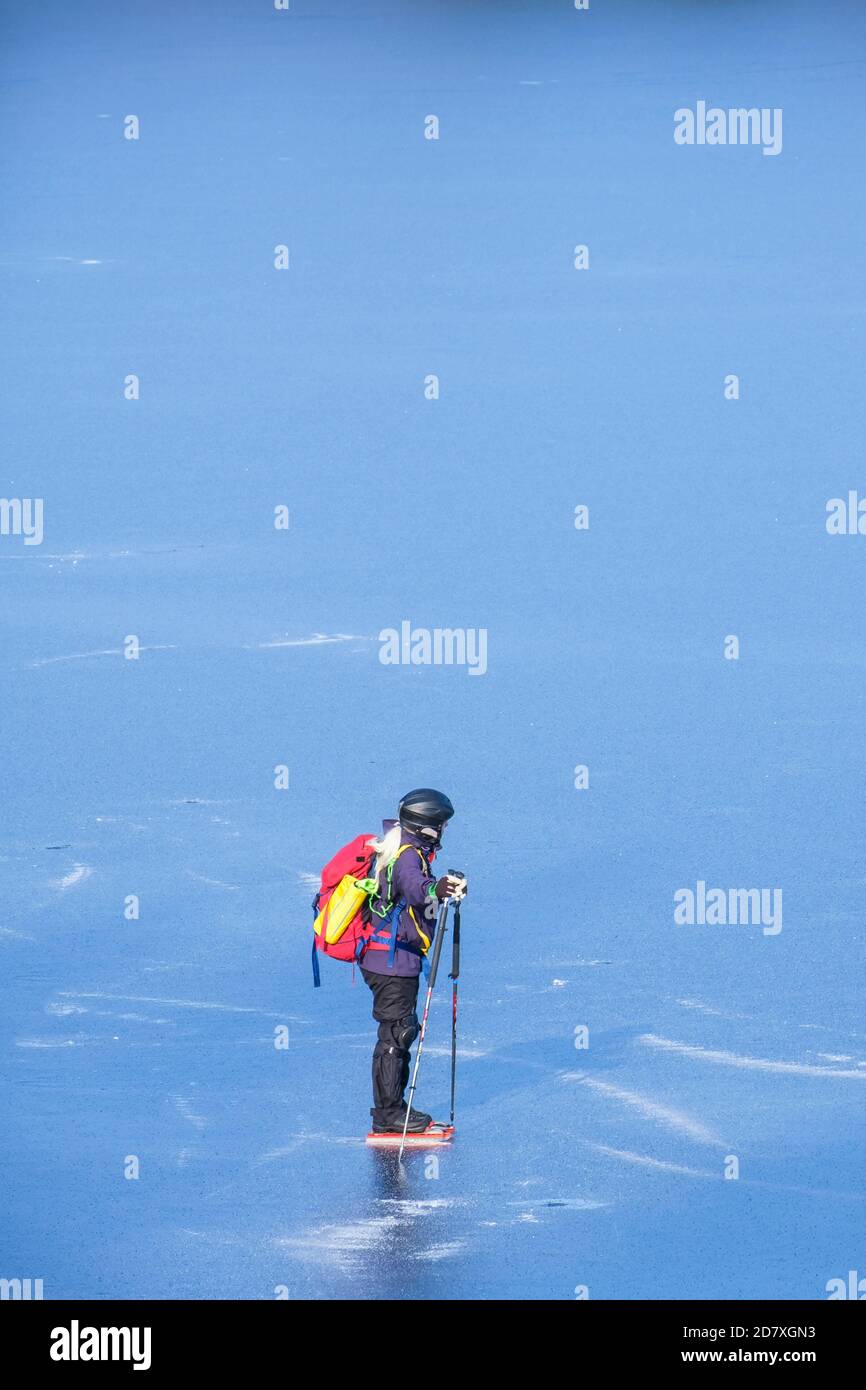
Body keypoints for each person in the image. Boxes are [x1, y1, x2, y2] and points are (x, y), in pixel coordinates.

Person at [360, 789, 465, 1134]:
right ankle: (389, 1115)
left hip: (390, 956)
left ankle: (393, 1108)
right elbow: (416, 888)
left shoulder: (401, 843)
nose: (443, 831)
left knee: (398, 1029)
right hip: (390, 960)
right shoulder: (407, 855)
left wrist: (442, 889)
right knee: (396, 1033)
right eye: (441, 825)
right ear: (426, 826)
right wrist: (438, 889)